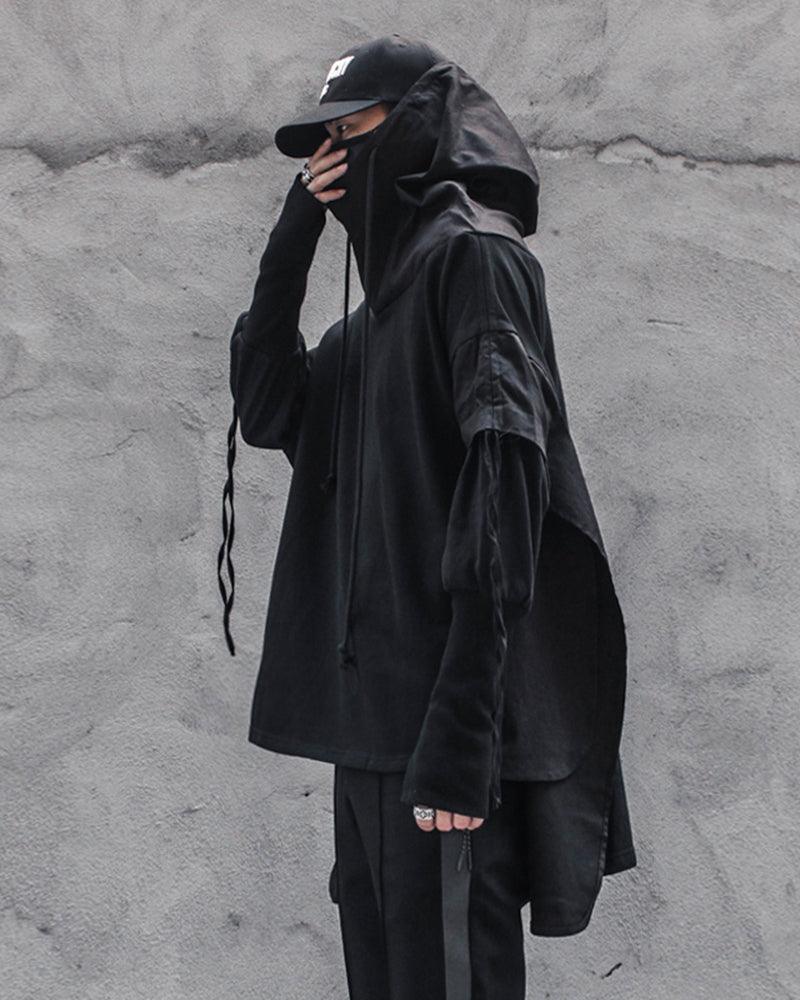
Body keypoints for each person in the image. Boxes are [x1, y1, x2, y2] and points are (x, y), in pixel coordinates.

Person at [218, 33, 637, 999]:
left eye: (350, 133)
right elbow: (268, 408)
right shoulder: (363, 332)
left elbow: (507, 484)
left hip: (446, 740)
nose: (333, 159)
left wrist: (461, 736)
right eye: (319, 147)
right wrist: (294, 232)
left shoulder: (477, 261)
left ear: (414, 131)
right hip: (368, 735)